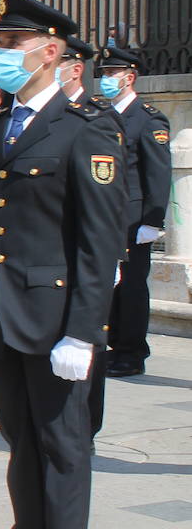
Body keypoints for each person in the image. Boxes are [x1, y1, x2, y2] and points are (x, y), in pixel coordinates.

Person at [0, 0, 126, 529]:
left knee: (62, 447)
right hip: (1, 315)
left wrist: (84, 332)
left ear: (51, 53)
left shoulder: (87, 130)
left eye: (11, 46)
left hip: (55, 323)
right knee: (21, 445)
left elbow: (98, 244)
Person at [96, 44, 170, 382]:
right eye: (105, 73)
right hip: (106, 217)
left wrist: (153, 222)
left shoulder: (148, 118)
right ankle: (114, 345)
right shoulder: (102, 114)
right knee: (108, 286)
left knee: (131, 287)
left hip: (133, 218)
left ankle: (132, 352)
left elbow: (158, 172)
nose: (107, 79)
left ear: (130, 77)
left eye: (113, 74)